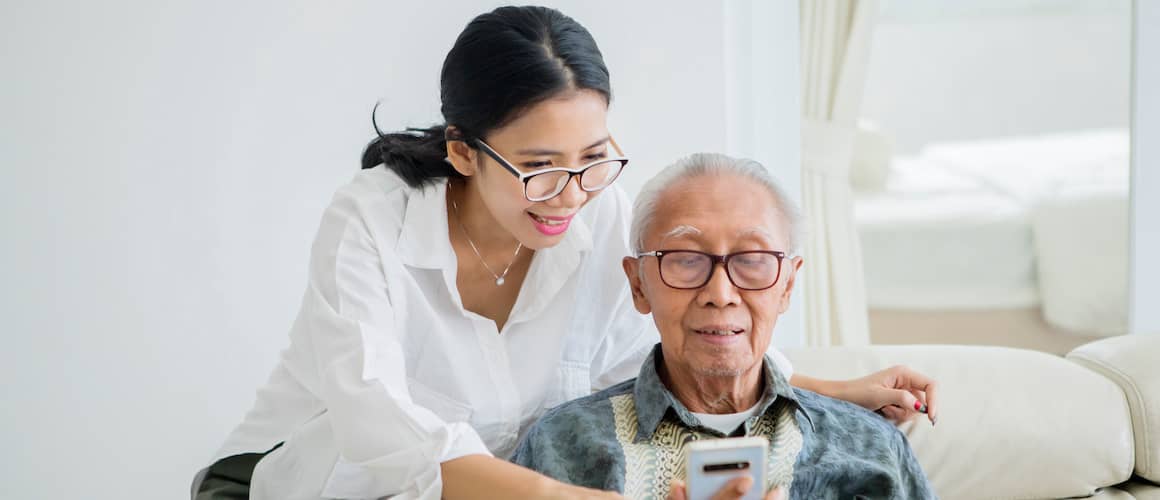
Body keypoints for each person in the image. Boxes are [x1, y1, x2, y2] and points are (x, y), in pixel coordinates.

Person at [193, 6, 939, 500]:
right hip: (296, 477)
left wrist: (828, 391)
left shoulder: (596, 210)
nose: (569, 193)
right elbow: (376, 429)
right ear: (463, 152)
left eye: (592, 156)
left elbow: (647, 352)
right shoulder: (371, 219)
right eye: (539, 165)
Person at [511, 153, 936, 499]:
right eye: (686, 259)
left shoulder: (870, 447)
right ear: (638, 284)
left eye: (751, 261)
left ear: (787, 285)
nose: (721, 292)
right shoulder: (561, 445)